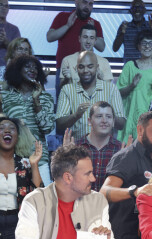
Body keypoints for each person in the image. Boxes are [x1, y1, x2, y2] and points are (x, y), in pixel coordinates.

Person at [13, 144, 118, 239]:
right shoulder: (34, 201)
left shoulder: (98, 201)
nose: (93, 178)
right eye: (88, 174)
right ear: (68, 177)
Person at [100, 111, 152, 239]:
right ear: (140, 130)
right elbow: (104, 192)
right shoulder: (126, 156)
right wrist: (135, 191)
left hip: (147, 238)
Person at [1, 55, 55, 186]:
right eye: (28, 66)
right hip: (12, 159)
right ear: (17, 70)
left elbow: (47, 128)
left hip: (39, 159)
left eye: (35, 67)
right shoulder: (5, 96)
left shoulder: (46, 97)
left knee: (42, 202)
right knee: (11, 204)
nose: (33, 70)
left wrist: (37, 101)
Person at [117, 29, 152, 143]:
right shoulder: (130, 66)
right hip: (133, 118)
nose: (147, 46)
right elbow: (118, 92)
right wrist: (132, 85)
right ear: (138, 46)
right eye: (144, 43)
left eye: (151, 43)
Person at [0, 117, 43, 239]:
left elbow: (39, 194)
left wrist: (34, 165)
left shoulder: (24, 163)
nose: (7, 130)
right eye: (2, 128)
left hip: (15, 226)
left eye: (12, 128)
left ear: (17, 136)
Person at [56, 51, 126, 139]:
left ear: (97, 68)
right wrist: (76, 115)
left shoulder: (111, 89)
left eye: (90, 66)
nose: (85, 71)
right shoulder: (67, 90)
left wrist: (108, 115)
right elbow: (59, 124)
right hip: (77, 149)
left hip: (105, 149)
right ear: (76, 68)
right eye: (81, 67)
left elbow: (121, 125)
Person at [46, 0, 105, 98]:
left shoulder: (95, 24)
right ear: (76, 2)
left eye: (90, 4)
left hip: (87, 70)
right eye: (84, 2)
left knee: (86, 105)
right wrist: (68, 25)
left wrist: (91, 30)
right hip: (65, 69)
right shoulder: (62, 16)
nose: (87, 7)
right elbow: (50, 37)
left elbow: (101, 47)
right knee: (63, 103)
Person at [64, 101, 122, 191]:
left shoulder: (120, 149)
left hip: (108, 204)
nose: (104, 121)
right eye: (99, 116)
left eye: (108, 117)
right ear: (89, 121)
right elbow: (64, 184)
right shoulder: (76, 147)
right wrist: (65, 159)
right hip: (80, 202)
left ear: (113, 122)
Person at [0, 0, 20, 80]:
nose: (3, 8)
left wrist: (5, 41)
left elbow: (18, 51)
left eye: (6, 6)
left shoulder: (14, 29)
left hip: (8, 69)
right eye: (1, 5)